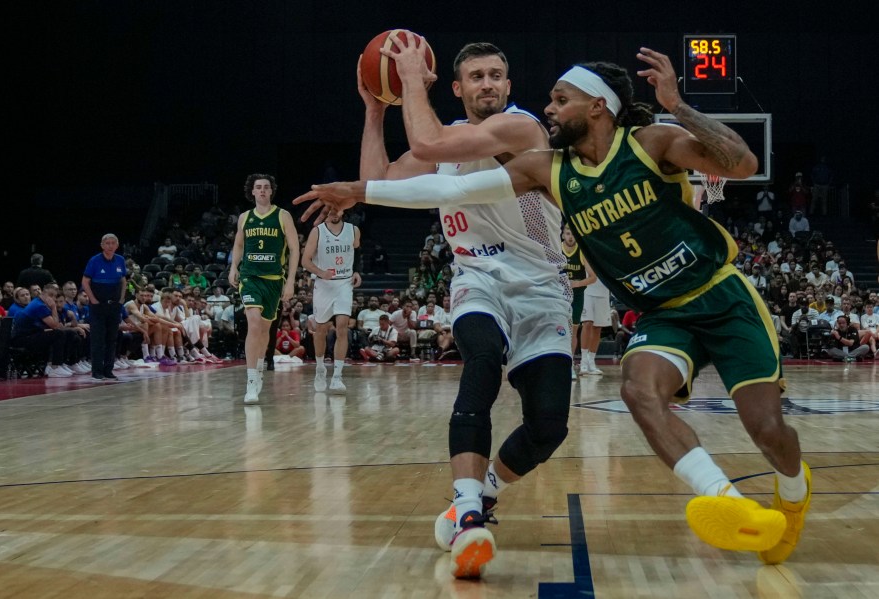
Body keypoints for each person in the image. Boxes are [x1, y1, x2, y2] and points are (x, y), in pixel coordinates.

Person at [296, 47, 811, 565]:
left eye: (559, 98)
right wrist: (367, 147)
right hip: (585, 299)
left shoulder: (583, 136)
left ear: (596, 107)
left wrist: (676, 104)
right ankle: (722, 501)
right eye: (477, 76)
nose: (546, 107)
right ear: (457, 87)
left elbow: (743, 163)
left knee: (757, 428)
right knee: (616, 385)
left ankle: (792, 494)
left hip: (668, 294)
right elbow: (441, 180)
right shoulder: (548, 167)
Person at [353, 34, 573, 578]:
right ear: (456, 87)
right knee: (481, 360)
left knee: (549, 427)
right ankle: (469, 510)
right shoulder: (444, 139)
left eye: (496, 75)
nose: (488, 84)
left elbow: (429, 147)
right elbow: (376, 181)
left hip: (543, 287)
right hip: (478, 279)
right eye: (476, 77)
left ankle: (483, 495)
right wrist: (377, 111)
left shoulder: (522, 128)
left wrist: (408, 84)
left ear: (508, 85)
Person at [229, 173, 300, 404]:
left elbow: (294, 249)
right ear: (252, 191)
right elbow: (239, 244)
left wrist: (290, 281)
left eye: (266, 187)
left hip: (273, 279)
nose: (262, 191)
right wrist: (233, 267)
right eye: (258, 187)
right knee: (254, 322)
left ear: (271, 191)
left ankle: (259, 367)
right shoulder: (244, 218)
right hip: (250, 277)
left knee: (265, 329)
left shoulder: (282, 216)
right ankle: (250, 381)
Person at [301, 211, 362, 392]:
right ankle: (320, 368)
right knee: (321, 329)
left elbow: (357, 251)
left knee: (342, 327)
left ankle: (337, 376)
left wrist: (357, 271)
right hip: (324, 284)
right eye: (331, 210)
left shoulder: (353, 230)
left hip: (344, 283)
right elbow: (305, 260)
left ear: (343, 210)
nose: (334, 213)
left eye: (338, 209)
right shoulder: (317, 232)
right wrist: (321, 273)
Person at [81, 234, 127, 380]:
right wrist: (93, 300)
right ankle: (97, 371)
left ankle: (109, 370)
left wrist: (121, 299)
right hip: (98, 305)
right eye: (107, 243)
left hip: (114, 305)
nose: (110, 246)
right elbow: (85, 281)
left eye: (113, 243)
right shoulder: (94, 260)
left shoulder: (120, 260)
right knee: (98, 339)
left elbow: (123, 280)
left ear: (117, 245)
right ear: (102, 245)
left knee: (112, 338)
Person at [562, 224, 596, 379]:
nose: (570, 237)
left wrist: (576, 283)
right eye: (568, 233)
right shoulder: (556, 249)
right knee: (555, 327)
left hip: (576, 295)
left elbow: (593, 277)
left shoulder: (581, 252)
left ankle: (569, 364)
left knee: (573, 331)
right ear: (563, 235)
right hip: (558, 294)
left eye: (573, 234)